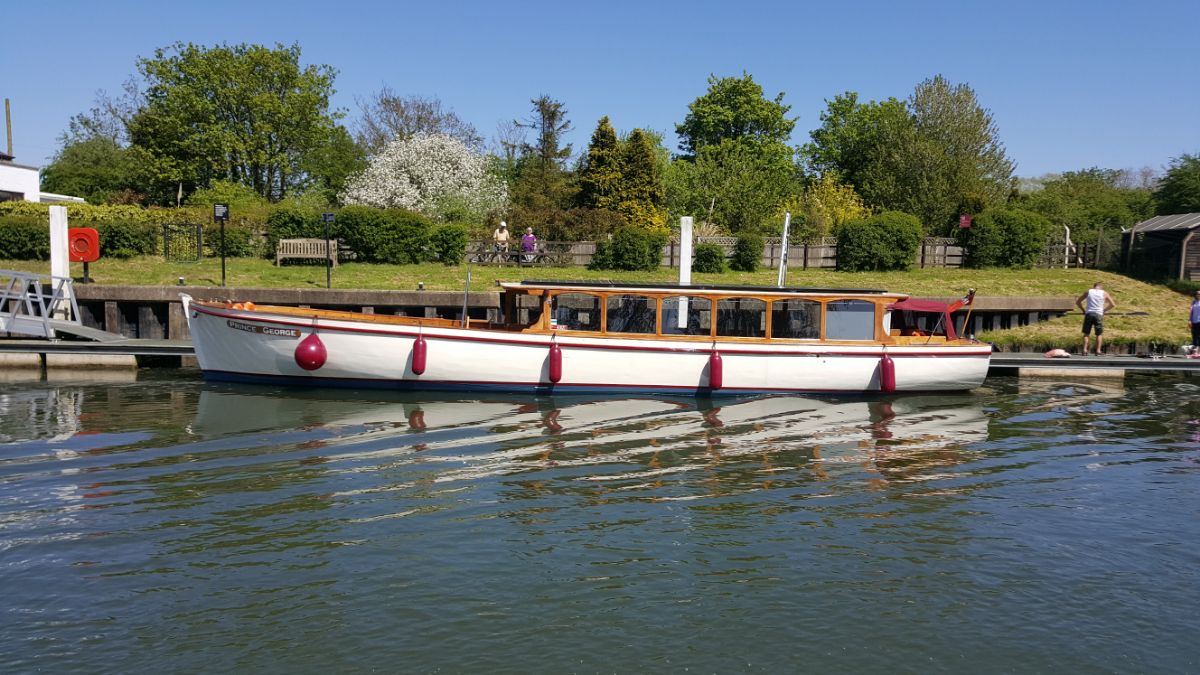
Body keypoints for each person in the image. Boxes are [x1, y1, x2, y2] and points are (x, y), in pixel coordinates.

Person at [1075, 281, 1115, 355]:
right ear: (1101, 287)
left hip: (1089, 313)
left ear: (1094, 286)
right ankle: (1098, 351)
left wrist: (1083, 310)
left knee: (1086, 333)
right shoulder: (1104, 293)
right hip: (1098, 314)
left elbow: (1078, 302)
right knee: (1099, 334)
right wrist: (1104, 310)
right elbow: (1112, 304)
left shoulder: (1088, 292)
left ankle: (1084, 350)